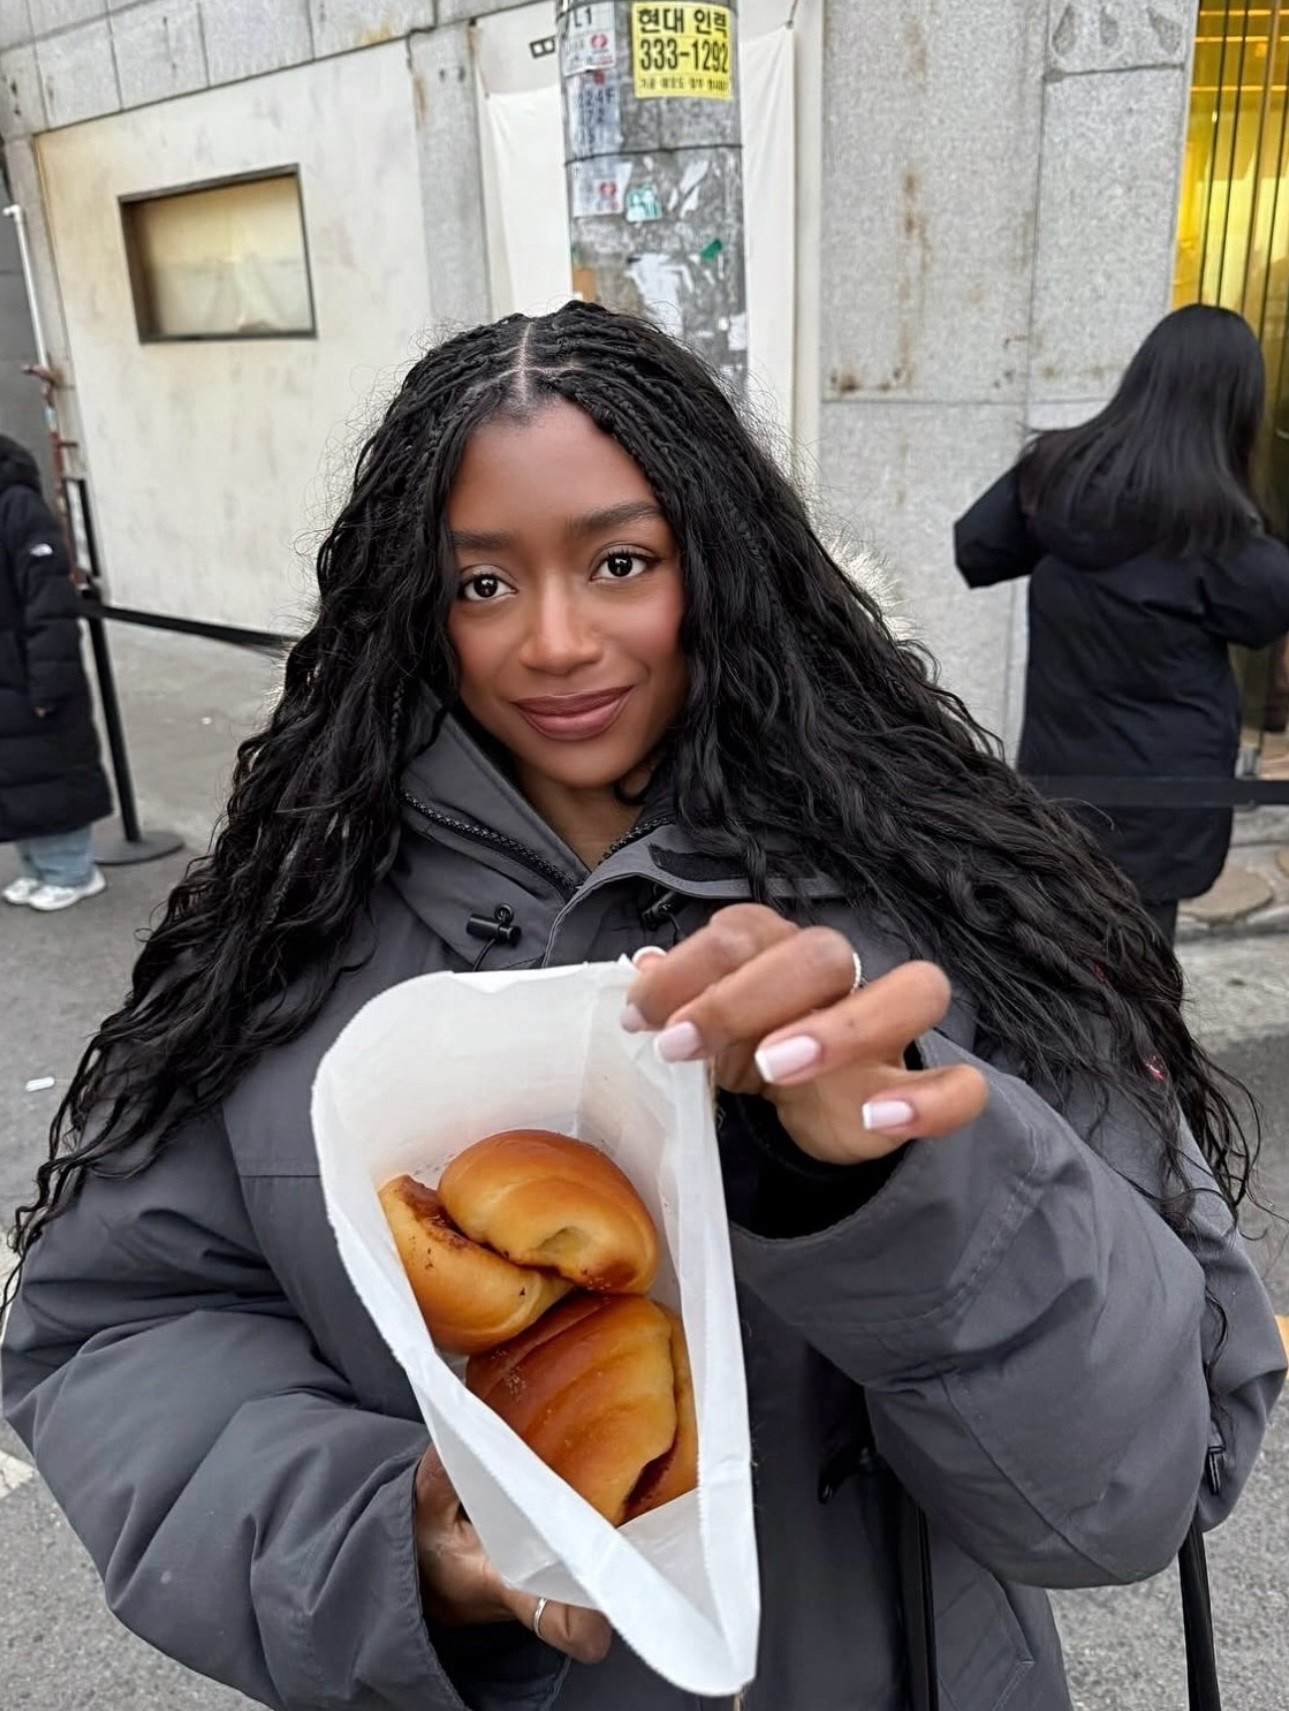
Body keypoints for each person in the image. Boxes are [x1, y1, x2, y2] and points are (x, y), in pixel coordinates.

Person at [2, 303, 1284, 1711]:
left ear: (718, 564)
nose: (553, 641)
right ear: (411, 602)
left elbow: (1143, 1479)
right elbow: (115, 1329)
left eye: (620, 563)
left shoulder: (946, 893)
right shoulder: (280, 933)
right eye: (482, 582)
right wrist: (379, 1536)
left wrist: (897, 1188)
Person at [954, 304, 1289, 945]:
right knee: (1139, 969)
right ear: (1237, 408)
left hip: (1062, 778)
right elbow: (1269, 610)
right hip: (1166, 802)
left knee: (1054, 951)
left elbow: (977, 548)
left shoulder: (1055, 473)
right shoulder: (1220, 533)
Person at [0, 434, 110, 911]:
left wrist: (49, 680)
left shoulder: (18, 505)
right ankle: (38, 869)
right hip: (8, 671)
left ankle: (72, 871)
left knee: (49, 769)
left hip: (30, 668)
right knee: (16, 774)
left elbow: (50, 604)